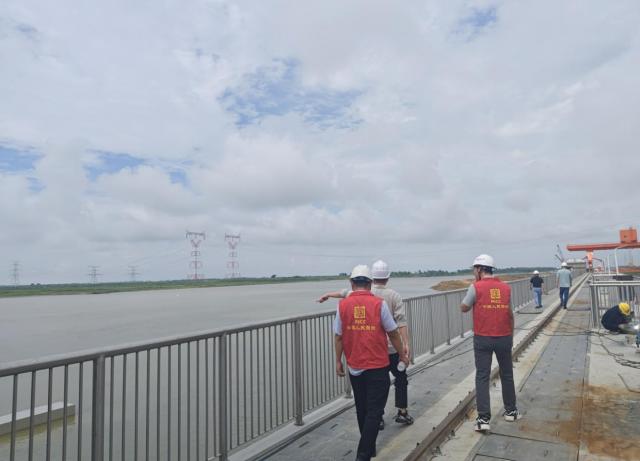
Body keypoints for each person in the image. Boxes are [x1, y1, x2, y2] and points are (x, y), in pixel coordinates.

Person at [319, 260, 414, 428]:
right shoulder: (394, 296)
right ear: (387, 278)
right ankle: (402, 412)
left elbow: (343, 293)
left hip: (372, 350)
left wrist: (327, 295)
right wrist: (405, 345)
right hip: (392, 348)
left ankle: (377, 417)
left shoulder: (357, 293)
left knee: (372, 389)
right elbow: (400, 323)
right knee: (400, 378)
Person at [334, 265, 408, 461]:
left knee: (362, 408)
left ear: (352, 283)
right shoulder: (379, 304)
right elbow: (393, 333)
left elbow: (338, 336)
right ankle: (363, 455)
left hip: (354, 367)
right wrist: (402, 354)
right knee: (374, 412)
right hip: (377, 366)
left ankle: (369, 447)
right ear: (369, 283)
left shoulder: (342, 305)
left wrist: (338, 361)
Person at [460, 254, 521, 432]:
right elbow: (510, 314)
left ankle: (483, 419)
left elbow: (464, 308)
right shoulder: (505, 288)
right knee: (507, 374)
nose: (474, 272)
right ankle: (511, 411)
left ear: (479, 269)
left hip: (483, 338)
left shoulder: (475, 287)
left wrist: (473, 291)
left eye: (474, 269)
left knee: (482, 376)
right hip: (504, 337)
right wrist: (510, 336)